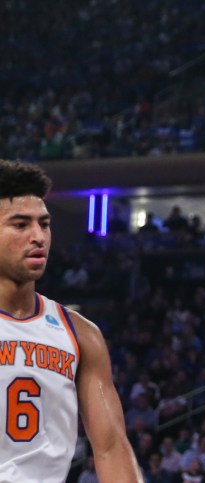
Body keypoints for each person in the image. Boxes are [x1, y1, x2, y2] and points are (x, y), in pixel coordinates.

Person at [0, 160, 144, 482]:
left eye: (44, 224)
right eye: (21, 225)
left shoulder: (80, 333)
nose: (38, 236)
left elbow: (111, 448)